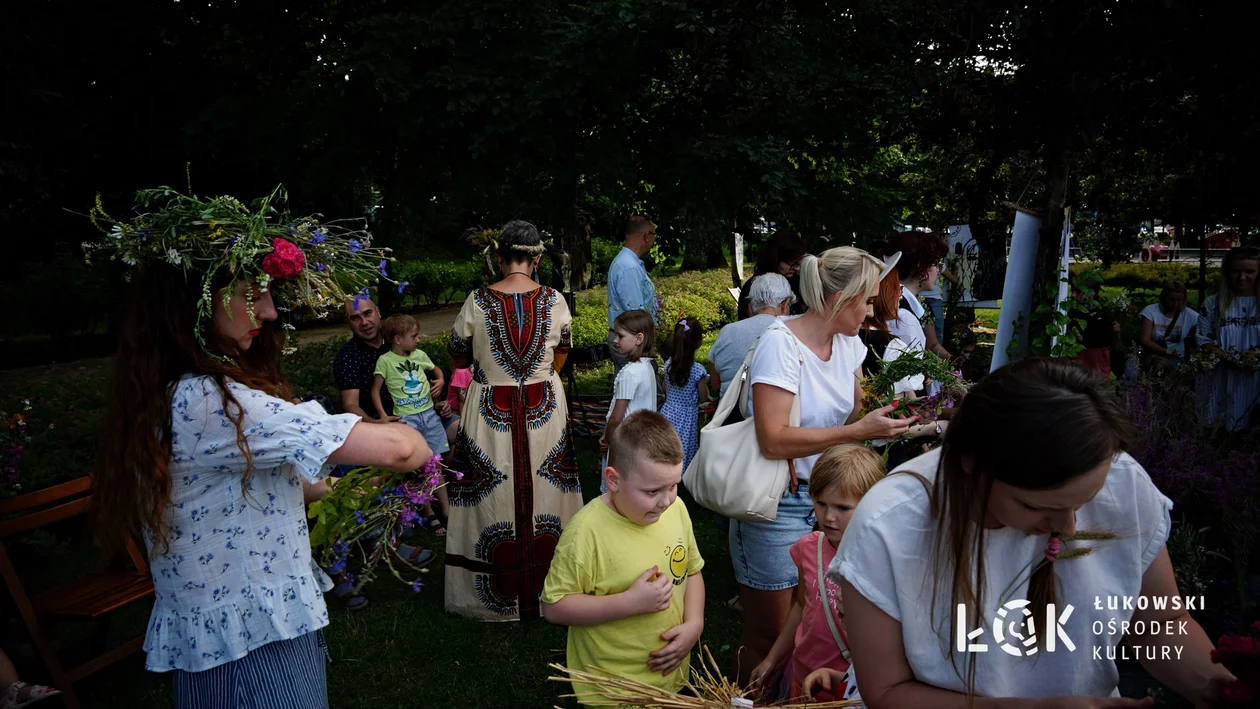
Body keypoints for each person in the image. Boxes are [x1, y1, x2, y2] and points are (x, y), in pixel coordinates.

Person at [86, 187, 433, 709]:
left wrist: (336, 485)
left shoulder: (171, 396)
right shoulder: (213, 403)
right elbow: (405, 449)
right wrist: (394, 438)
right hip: (251, 638)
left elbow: (292, 487)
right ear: (196, 302)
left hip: (238, 625)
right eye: (252, 293)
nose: (269, 311)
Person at [832, 358, 1237, 708]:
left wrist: (1222, 689)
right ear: (972, 463)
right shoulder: (889, 524)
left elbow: (1159, 624)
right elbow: (886, 692)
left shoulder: (1122, 482)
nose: (1069, 527)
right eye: (1037, 506)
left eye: (1083, 502)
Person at [732, 246, 914, 685]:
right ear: (839, 300)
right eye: (867, 301)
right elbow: (773, 438)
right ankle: (746, 698)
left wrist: (895, 420)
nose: (872, 312)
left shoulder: (848, 345)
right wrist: (856, 432)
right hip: (781, 502)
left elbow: (851, 415)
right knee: (769, 636)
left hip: (829, 501)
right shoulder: (781, 343)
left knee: (812, 623)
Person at [445, 219, 583, 621]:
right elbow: (562, 353)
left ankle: (488, 595)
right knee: (548, 486)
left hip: (491, 409)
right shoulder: (555, 299)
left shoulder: (478, 300)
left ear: (499, 258)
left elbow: (457, 354)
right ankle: (555, 585)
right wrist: (538, 374)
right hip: (544, 407)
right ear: (537, 259)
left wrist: (493, 370)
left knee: (491, 490)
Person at [541, 411, 706, 706]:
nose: (666, 500)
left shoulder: (676, 510)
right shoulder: (586, 533)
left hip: (671, 676)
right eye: (652, 491)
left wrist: (695, 623)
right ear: (614, 480)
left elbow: (692, 571)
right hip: (611, 687)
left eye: (672, 485)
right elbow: (554, 607)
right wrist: (629, 603)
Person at [748, 445, 884, 702]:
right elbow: (801, 605)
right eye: (820, 503)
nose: (829, 516)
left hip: (846, 687)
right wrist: (772, 658)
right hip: (801, 672)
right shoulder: (810, 548)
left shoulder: (880, 563)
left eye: (843, 508)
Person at [372, 313, 449, 536]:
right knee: (420, 465)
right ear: (397, 339)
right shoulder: (385, 361)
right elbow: (375, 390)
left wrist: (440, 380)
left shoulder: (419, 355)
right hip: (408, 420)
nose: (418, 340)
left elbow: (436, 370)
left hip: (428, 415)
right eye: (413, 336)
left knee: (437, 463)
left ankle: (446, 508)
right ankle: (428, 510)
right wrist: (383, 415)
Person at [1196, 246, 1260, 431]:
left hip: (1256, 380)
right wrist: (1228, 358)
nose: (1242, 277)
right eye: (1236, 271)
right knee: (1221, 431)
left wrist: (1255, 356)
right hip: (1223, 378)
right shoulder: (1214, 303)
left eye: (1249, 271)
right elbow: (1203, 338)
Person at [708, 273, 795, 397]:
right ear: (785, 304)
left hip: (731, 412)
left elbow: (715, 383)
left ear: (750, 306)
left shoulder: (727, 331)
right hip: (778, 411)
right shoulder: (792, 333)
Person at [599, 310, 658, 493]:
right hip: (641, 439)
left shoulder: (629, 373)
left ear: (639, 338)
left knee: (616, 487)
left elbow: (617, 417)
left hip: (622, 440)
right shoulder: (646, 366)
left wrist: (607, 439)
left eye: (621, 335)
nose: (615, 340)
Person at [884, 232, 951, 363]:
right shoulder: (902, 313)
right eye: (935, 264)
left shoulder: (912, 303)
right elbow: (905, 371)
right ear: (921, 266)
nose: (938, 271)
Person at [607, 216, 659, 371]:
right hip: (633, 343)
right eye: (654, 235)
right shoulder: (628, 267)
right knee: (639, 391)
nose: (654, 241)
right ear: (646, 236)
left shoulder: (629, 262)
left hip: (631, 339)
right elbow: (636, 314)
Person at [660, 316, 710, 472]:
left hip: (667, 412)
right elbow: (703, 398)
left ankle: (663, 470)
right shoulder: (697, 370)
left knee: (666, 444)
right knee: (683, 446)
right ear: (698, 342)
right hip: (687, 416)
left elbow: (664, 388)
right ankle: (679, 474)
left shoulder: (669, 364)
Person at [334, 297, 395, 423]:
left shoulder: (397, 340)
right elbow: (350, 404)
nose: (364, 322)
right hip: (379, 423)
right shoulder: (348, 357)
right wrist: (375, 423)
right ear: (348, 323)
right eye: (356, 318)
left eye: (367, 313)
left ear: (378, 312)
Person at [737, 229, 807, 320]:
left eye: (798, 263)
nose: (797, 268)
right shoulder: (754, 288)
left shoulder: (797, 282)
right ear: (776, 259)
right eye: (792, 263)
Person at [1137, 281, 1198, 372]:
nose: (1175, 304)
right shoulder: (1150, 311)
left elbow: (1205, 329)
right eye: (1171, 300)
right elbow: (1145, 339)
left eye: (1179, 300)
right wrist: (1166, 351)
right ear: (1163, 297)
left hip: (1177, 359)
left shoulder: (1189, 315)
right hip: (1153, 357)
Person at [1073, 282, 1121, 379]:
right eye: (1072, 291)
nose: (1073, 295)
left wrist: (1115, 331)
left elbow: (1113, 344)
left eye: (1078, 292)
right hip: (1079, 360)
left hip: (1096, 360)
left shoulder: (1102, 314)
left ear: (1091, 293)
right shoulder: (1072, 312)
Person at [442, 365, 472, 442]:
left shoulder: (474, 373)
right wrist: (463, 422)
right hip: (454, 413)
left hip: (469, 413)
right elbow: (461, 401)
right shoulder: (461, 372)